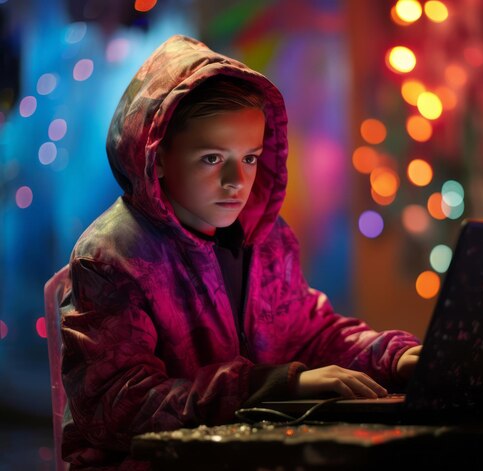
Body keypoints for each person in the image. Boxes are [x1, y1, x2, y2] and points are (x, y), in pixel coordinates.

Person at [60, 34, 421, 470]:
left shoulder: (264, 238)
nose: (237, 181)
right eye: (212, 158)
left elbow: (311, 331)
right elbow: (119, 405)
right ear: (155, 157)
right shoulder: (112, 258)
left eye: (249, 158)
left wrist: (395, 357)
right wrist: (275, 385)